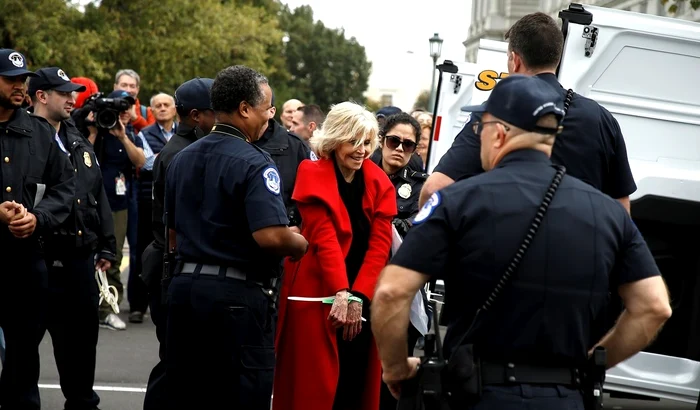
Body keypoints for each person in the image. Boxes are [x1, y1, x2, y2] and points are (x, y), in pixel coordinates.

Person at [371, 75, 672, 410]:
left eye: (478, 128)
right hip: (565, 398)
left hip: (478, 395)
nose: (478, 136)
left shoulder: (457, 202)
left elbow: (392, 292)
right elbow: (654, 306)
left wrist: (396, 367)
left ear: (498, 133)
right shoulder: (607, 212)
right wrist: (589, 366)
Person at [163, 66, 308, 410]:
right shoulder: (255, 162)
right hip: (236, 300)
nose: (269, 117)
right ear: (245, 108)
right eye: (267, 108)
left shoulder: (181, 158)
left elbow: (172, 233)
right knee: (242, 395)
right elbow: (271, 237)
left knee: (188, 394)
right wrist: (299, 241)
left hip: (184, 292)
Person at [419, 12, 636, 215]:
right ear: (557, 58)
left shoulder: (495, 114)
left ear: (515, 60)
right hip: (583, 248)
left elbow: (435, 188)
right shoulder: (602, 119)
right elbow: (620, 207)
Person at [273, 101, 397, 410]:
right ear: (334, 139)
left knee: (355, 380)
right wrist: (342, 291)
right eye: (353, 141)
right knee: (312, 385)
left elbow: (379, 246)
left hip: (363, 290)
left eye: (367, 142)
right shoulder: (311, 172)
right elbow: (325, 237)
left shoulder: (380, 181)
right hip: (316, 290)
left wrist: (358, 295)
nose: (361, 150)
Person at [29, 67, 117, 410]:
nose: (72, 98)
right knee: (23, 350)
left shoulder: (76, 136)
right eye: (64, 92)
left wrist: (107, 242)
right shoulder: (21, 136)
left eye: (73, 92)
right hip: (37, 256)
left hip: (79, 259)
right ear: (41, 96)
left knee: (80, 347)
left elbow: (97, 193)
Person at [0, 48, 76, 410]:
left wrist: (38, 217)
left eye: (23, 79)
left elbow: (65, 187)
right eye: (11, 79)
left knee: (23, 354)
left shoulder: (38, 131)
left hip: (25, 259)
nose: (20, 86)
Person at [141, 77, 216, 410]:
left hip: (168, 260)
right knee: (175, 362)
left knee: (181, 360)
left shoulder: (185, 148)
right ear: (197, 115)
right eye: (217, 111)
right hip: (171, 262)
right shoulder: (183, 154)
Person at [368, 112, 431, 410]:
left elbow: (421, 234)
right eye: (394, 141)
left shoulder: (422, 188)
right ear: (382, 140)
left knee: (386, 380)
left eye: (408, 145)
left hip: (396, 292)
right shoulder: (360, 174)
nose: (400, 149)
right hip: (359, 284)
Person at [92, 90, 146, 331]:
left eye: (128, 107)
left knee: (112, 256)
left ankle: (108, 308)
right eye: (119, 107)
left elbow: (141, 162)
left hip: (118, 203)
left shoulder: (129, 134)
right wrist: (93, 131)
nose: (123, 112)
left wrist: (123, 136)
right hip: (91, 202)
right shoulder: (94, 130)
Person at [254, 90, 312, 229]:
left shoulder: (297, 147)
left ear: (271, 111)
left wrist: (298, 222)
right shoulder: (235, 143)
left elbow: (311, 191)